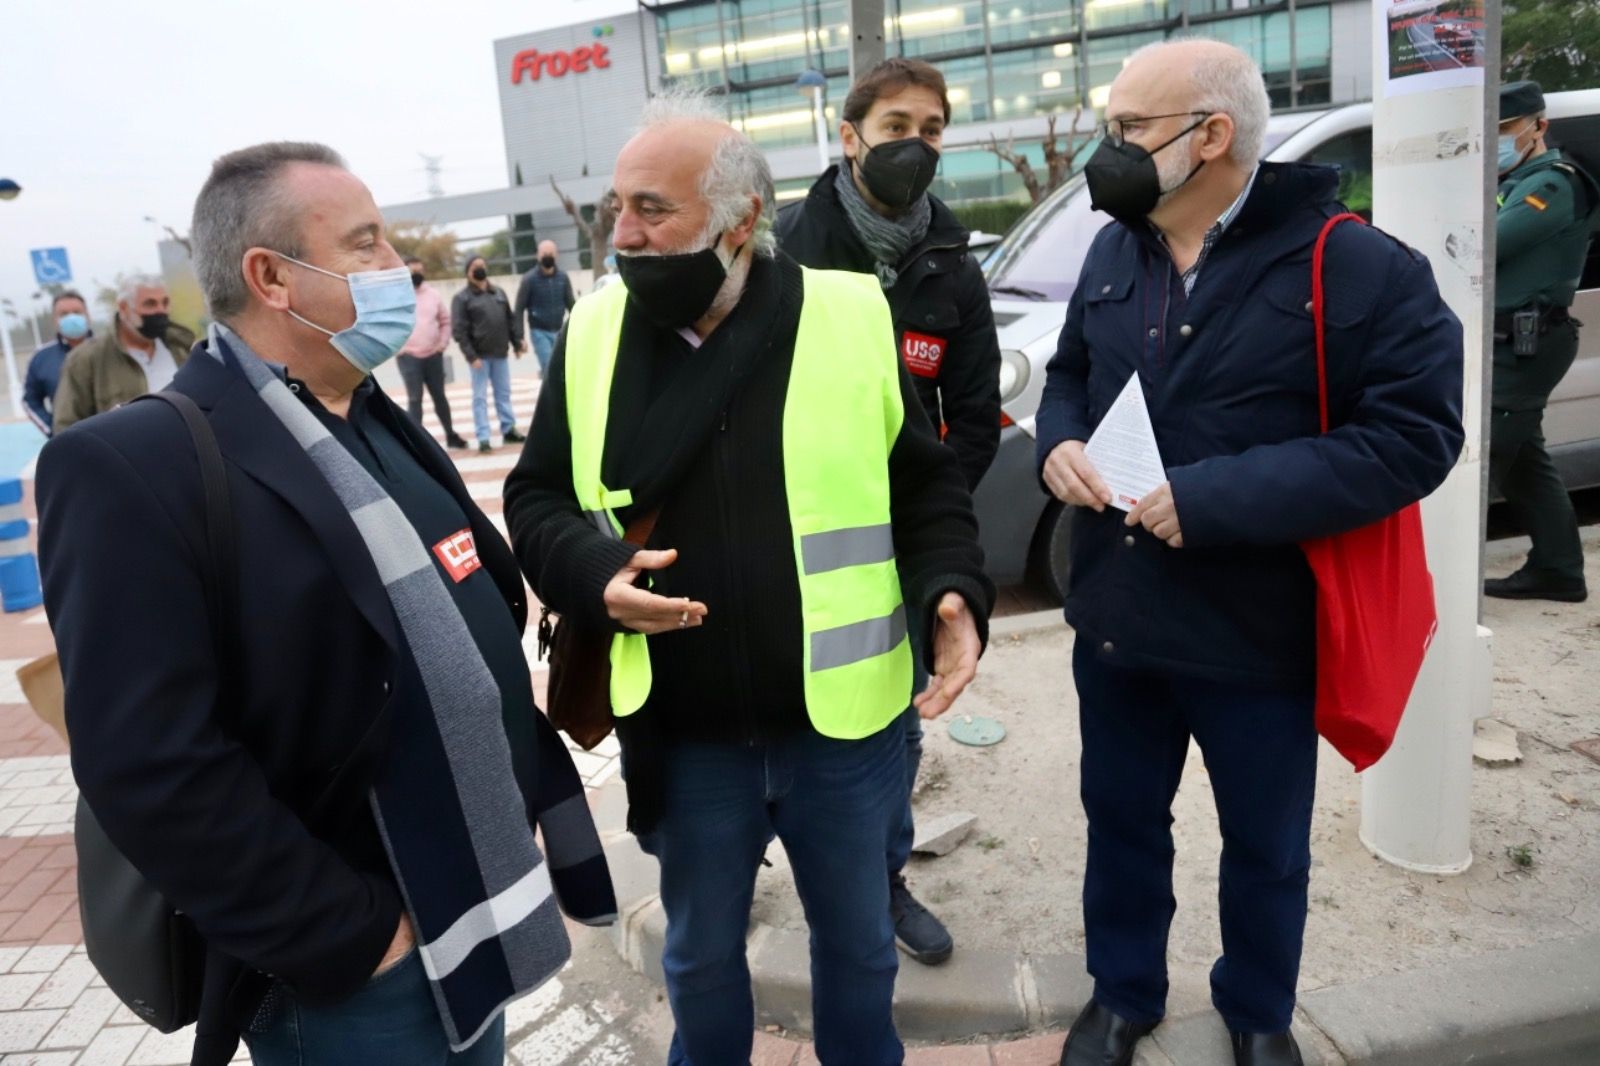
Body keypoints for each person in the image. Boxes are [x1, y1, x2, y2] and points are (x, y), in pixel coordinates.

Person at [36, 141, 613, 1066]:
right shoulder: (133, 468)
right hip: (356, 982)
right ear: (271, 277)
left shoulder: (377, 419)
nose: (398, 269)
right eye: (366, 245)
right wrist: (360, 939)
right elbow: (150, 764)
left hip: (478, 916)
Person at [503, 92, 992, 1065]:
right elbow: (536, 502)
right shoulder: (593, 334)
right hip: (685, 737)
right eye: (616, 207)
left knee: (856, 952)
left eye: (652, 208)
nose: (623, 233)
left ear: (740, 222)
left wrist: (950, 592)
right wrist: (594, 571)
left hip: (842, 731)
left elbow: (925, 487)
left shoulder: (851, 316)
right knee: (699, 957)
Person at [1035, 40, 1463, 1066]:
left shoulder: (1355, 265)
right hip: (1119, 615)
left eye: (1129, 130)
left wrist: (1219, 498)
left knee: (1265, 848)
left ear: (1210, 137)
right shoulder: (1115, 249)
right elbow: (1067, 376)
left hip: (1259, 631)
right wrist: (1057, 444)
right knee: (1121, 821)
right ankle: (1122, 991)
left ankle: (1258, 1007)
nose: (1110, 150)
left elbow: (1415, 437)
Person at [775, 56, 1001, 968]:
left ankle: (883, 877)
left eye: (933, 129)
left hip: (898, 544)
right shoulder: (784, 247)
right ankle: (786, 853)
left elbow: (975, 421)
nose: (916, 145)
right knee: (788, 715)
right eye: (897, 125)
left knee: (893, 728)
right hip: (787, 539)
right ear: (850, 135)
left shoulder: (952, 263)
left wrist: (924, 516)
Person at [1485, 80, 1598, 603]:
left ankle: (1446, 580)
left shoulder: (1552, 184)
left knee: (1479, 462)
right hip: (1510, 343)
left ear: (1539, 126)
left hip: (1528, 345)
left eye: (1506, 129)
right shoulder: (1512, 179)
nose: (1498, 140)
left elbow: (1488, 243)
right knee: (1525, 464)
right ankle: (1558, 570)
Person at [52, 275, 194, 432]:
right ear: (123, 308)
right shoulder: (86, 359)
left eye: (165, 303)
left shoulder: (182, 349)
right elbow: (66, 427)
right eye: (150, 304)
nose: (160, 310)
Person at [452, 256, 526, 454]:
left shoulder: (498, 293)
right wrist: (471, 356)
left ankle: (508, 429)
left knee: (503, 394)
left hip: (500, 353)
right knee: (480, 397)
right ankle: (483, 436)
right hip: (479, 357)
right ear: (468, 272)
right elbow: (459, 331)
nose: (480, 270)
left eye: (482, 266)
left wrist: (517, 342)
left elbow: (510, 320)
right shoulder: (462, 298)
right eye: (475, 267)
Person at [397, 256, 468, 449]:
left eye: (419, 271)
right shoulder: (397, 296)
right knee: (414, 399)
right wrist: (399, 349)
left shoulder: (433, 294)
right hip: (409, 357)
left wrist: (442, 344)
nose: (416, 275)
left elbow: (445, 321)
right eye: (412, 271)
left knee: (440, 396)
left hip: (433, 355)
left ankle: (451, 435)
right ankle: (415, 444)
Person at [23, 290, 93, 435]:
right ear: (55, 320)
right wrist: (53, 430)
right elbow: (30, 400)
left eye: (77, 312)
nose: (72, 317)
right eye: (64, 314)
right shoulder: (42, 357)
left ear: (88, 315)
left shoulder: (110, 351)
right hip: (69, 441)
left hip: (113, 438)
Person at [512, 239, 575, 373]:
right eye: (544, 253)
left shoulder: (563, 278)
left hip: (559, 330)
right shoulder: (529, 279)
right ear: (538, 256)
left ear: (557, 255)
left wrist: (578, 328)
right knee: (549, 367)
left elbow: (572, 305)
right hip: (539, 331)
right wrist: (519, 337)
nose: (548, 256)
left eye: (551, 253)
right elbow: (519, 309)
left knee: (563, 367)